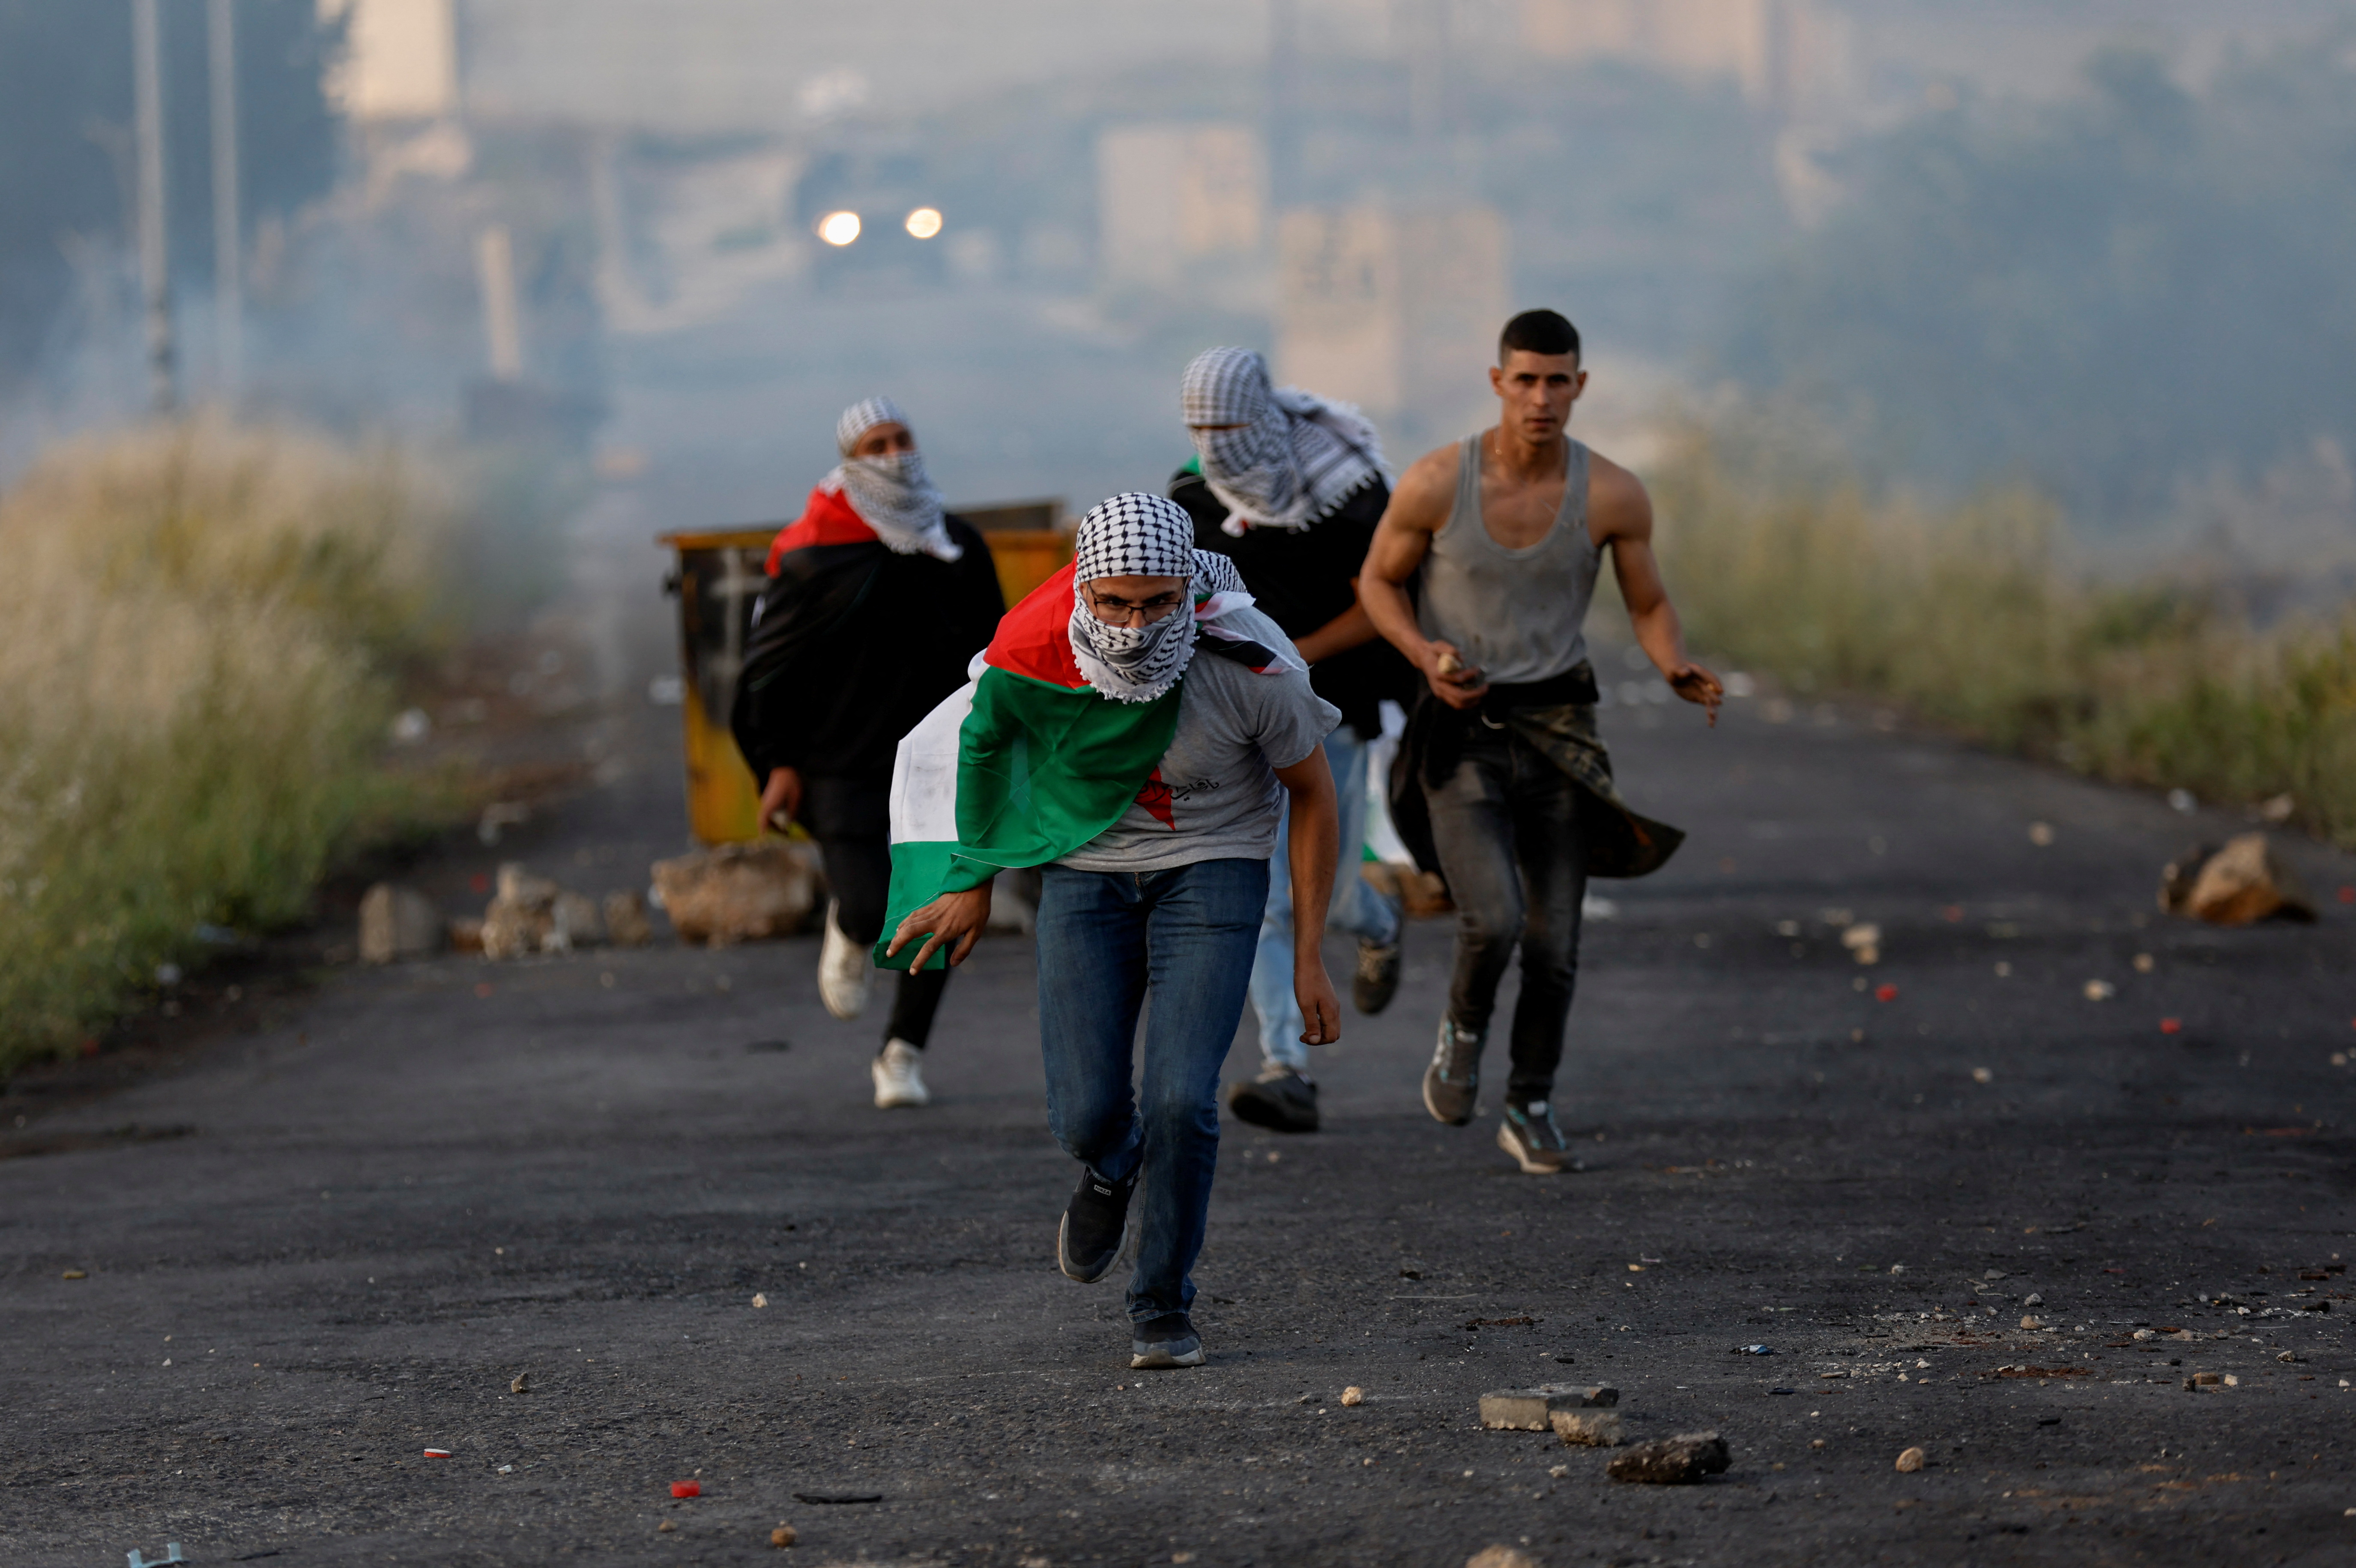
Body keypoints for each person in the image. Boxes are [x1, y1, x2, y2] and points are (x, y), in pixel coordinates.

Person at [881, 493, 1342, 1369]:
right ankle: (1108, 1164)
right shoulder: (1034, 651)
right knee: (1085, 1109)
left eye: (1158, 602)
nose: (1135, 624)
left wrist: (1309, 957)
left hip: (1213, 864)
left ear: (1188, 589)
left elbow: (1315, 795)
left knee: (1181, 1098)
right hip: (1083, 871)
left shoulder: (1252, 662)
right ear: (1083, 589)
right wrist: (974, 879)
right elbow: (982, 751)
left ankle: (1160, 1299)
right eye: (1115, 603)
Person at [1359, 310, 1720, 1175]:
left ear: (1579, 386)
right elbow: (1377, 580)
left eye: (1557, 381)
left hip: (1559, 731)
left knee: (1555, 944)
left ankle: (1529, 1103)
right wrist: (1420, 653)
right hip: (1461, 729)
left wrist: (1670, 661)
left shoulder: (1611, 493)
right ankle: (1462, 1028)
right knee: (1495, 917)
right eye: (1523, 379)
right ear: (1497, 383)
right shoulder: (1438, 480)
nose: (1540, 398)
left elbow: (1645, 600)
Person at [730, 396, 1003, 1110]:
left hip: (944, 763)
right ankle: (849, 929)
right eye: (875, 444)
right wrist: (778, 762)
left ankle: (902, 1051)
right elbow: (771, 668)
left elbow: (997, 657)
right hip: (840, 760)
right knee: (865, 900)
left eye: (901, 438)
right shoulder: (814, 552)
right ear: (850, 460)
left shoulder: (959, 546)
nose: (892, 454)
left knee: (938, 909)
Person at [1167, 346, 1412, 1136]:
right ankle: (1286, 1066)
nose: (1216, 442)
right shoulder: (1191, 496)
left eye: (1229, 424)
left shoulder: (1347, 492)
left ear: (1264, 416)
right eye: (1199, 426)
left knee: (1330, 896)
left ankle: (1376, 919)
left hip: (1328, 708)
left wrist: (1292, 657)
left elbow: (1384, 601)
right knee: (1269, 901)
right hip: (1230, 721)